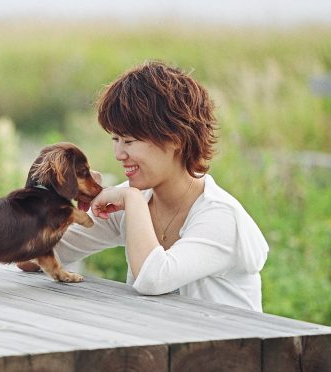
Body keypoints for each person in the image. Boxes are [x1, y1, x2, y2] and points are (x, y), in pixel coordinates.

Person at [20, 60, 269, 312]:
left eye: (129, 141)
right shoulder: (135, 199)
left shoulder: (220, 216)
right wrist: (57, 197)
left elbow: (153, 279)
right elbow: (29, 255)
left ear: (176, 139)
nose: (119, 153)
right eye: (115, 139)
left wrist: (132, 199)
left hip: (234, 349)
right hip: (161, 347)